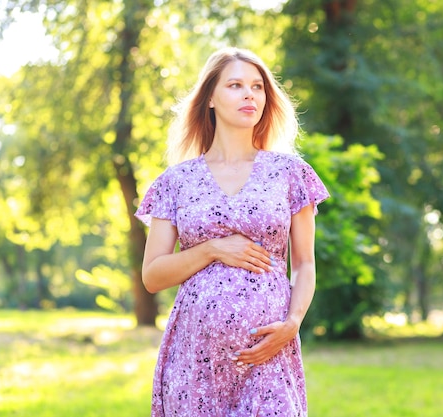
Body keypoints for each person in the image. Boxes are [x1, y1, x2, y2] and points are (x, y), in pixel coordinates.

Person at [135, 47, 330, 417]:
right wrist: (212, 249)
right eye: (236, 85)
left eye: (258, 87)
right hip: (195, 360)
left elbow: (304, 264)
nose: (249, 95)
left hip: (268, 353)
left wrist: (292, 323)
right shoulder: (175, 182)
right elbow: (152, 275)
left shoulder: (290, 174)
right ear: (210, 97)